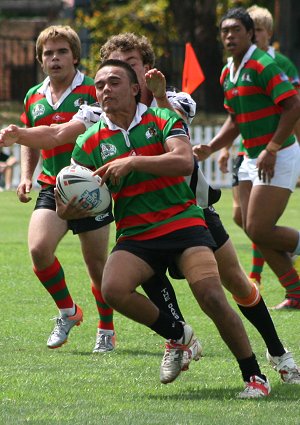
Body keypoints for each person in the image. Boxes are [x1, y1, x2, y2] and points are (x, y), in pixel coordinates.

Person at [1, 33, 299, 387]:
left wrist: (157, 98)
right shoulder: (98, 113)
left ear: (145, 68)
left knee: (232, 284)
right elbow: (58, 135)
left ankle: (279, 352)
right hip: (140, 223)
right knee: (147, 281)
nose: (121, 72)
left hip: (193, 212)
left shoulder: (170, 101)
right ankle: (178, 338)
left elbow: (180, 146)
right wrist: (21, 137)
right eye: (114, 67)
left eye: (131, 64)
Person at [66, 58, 272, 398]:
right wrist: (68, 206)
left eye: (114, 82)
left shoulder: (162, 118)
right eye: (100, 84)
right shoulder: (89, 141)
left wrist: (132, 161)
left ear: (135, 89)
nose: (105, 89)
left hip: (183, 222)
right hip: (136, 234)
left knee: (211, 296)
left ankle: (254, 377)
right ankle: (179, 334)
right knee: (112, 289)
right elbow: (72, 189)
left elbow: (183, 161)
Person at [17, 25, 116, 353]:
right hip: (52, 185)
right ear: (40, 60)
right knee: (38, 250)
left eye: (61, 52)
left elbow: (67, 133)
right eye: (48, 53)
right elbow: (32, 137)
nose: (55, 58)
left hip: (92, 185)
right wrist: (27, 175)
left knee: (97, 265)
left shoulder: (94, 89)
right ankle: (68, 311)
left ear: (75, 56)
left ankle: (106, 328)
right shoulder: (34, 96)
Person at [193, 7, 300, 311]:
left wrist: (273, 148)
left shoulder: (262, 63)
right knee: (252, 226)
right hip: (253, 157)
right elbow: (235, 119)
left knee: (260, 228)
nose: (229, 36)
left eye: (236, 30)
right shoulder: (228, 71)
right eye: (225, 31)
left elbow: (293, 106)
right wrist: (212, 147)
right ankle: (296, 292)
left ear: (251, 33)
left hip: (278, 155)